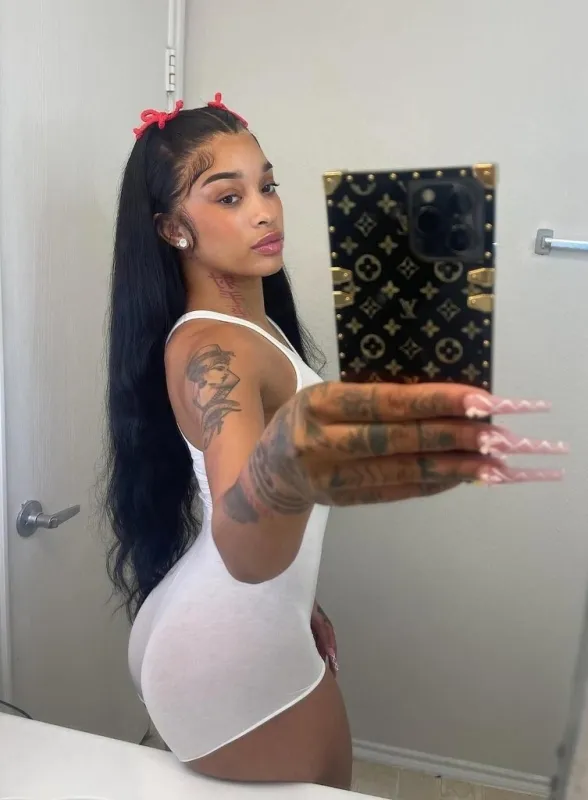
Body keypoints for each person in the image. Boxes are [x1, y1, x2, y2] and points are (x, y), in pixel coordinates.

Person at [104, 95, 567, 789]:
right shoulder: (215, 352)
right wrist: (298, 454)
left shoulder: (249, 327)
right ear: (172, 228)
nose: (264, 211)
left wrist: (302, 604)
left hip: (225, 618)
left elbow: (254, 528)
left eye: (267, 186)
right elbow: (245, 550)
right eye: (229, 197)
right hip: (226, 642)